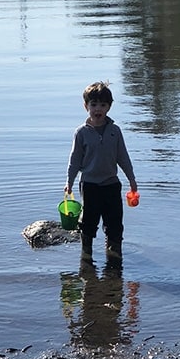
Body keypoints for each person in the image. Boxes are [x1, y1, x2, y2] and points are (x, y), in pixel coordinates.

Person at [65, 81, 137, 263]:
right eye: (94, 104)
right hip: (89, 185)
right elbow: (74, 161)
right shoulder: (81, 133)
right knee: (89, 222)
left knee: (114, 223)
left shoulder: (115, 131)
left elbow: (123, 158)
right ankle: (86, 254)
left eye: (103, 105)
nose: (98, 109)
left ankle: (114, 254)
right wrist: (69, 182)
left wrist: (132, 181)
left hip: (111, 184)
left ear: (109, 107)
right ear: (86, 106)